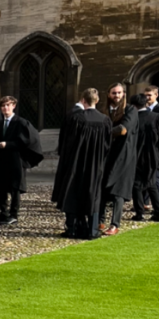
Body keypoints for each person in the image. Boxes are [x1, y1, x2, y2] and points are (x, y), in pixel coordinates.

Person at [51, 89, 111, 240]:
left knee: (73, 191)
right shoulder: (105, 120)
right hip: (96, 164)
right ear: (97, 101)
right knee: (93, 193)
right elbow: (107, 145)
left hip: (76, 162)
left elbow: (68, 143)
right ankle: (92, 230)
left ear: (83, 100)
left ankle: (72, 228)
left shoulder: (76, 118)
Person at [0, 96, 43, 224]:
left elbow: (25, 141)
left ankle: (13, 214)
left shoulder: (21, 123)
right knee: (1, 186)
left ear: (13, 106)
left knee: (14, 188)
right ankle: (3, 212)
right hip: (1, 159)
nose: (5, 108)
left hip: (15, 159)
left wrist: (7, 144)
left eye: (8, 105)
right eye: (3, 106)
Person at [98, 83, 139, 236]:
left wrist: (99, 134)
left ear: (123, 94)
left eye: (119, 93)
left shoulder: (130, 110)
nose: (117, 95)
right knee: (101, 187)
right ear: (109, 94)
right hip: (106, 154)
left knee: (118, 190)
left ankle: (115, 224)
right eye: (114, 93)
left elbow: (123, 129)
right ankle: (100, 220)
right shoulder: (104, 110)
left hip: (123, 154)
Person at [131, 94, 159, 222]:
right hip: (154, 155)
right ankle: (157, 212)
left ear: (133, 106)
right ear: (146, 103)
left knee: (137, 184)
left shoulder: (132, 119)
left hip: (136, 155)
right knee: (152, 182)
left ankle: (139, 213)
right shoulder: (157, 117)